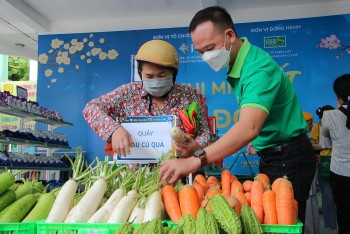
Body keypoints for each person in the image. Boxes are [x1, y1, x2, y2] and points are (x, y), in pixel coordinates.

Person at [160, 6, 316, 227]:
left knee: (283, 225)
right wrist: (199, 149)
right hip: (276, 155)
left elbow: (248, 127)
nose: (205, 57)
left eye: (210, 48)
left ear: (230, 36)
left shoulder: (257, 69)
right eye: (200, 52)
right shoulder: (241, 65)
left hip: (288, 159)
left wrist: (196, 160)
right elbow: (256, 126)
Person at [83, 39, 211, 159]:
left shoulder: (187, 95)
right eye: (149, 76)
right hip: (136, 177)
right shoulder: (128, 93)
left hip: (181, 172)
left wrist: (197, 146)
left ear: (173, 73)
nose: (156, 80)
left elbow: (205, 133)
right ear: (140, 73)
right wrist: (114, 130)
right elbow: (91, 108)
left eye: (162, 75)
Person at [321, 74, 350, 234]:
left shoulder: (328, 116)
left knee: (344, 217)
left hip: (340, 173)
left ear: (337, 96)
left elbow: (326, 144)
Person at [311, 105, 338, 234]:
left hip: (340, 165)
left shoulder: (340, 125)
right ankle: (333, 227)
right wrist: (319, 151)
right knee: (328, 198)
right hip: (324, 165)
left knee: (341, 197)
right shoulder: (316, 127)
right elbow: (311, 145)